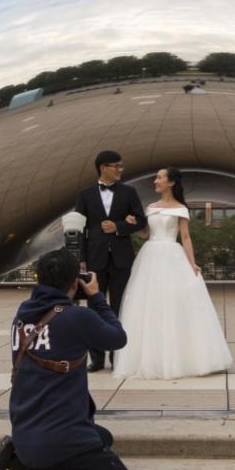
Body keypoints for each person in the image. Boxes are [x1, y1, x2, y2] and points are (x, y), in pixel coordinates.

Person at [6, 249, 146, 470]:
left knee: (102, 435)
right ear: (75, 282)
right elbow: (117, 338)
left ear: (39, 280)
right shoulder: (76, 316)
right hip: (63, 441)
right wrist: (96, 297)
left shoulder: (22, 315)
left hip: (26, 433)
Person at [112, 168, 233, 379]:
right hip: (149, 256)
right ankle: (149, 359)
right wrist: (133, 225)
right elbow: (144, 234)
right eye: (156, 177)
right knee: (148, 304)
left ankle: (181, 358)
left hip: (171, 255)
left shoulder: (181, 209)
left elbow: (185, 238)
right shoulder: (150, 207)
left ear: (171, 182)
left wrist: (192, 263)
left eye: (159, 177)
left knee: (173, 304)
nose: (155, 181)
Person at [74, 150, 147, 372]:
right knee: (94, 309)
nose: (120, 170)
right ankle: (96, 359)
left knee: (120, 307)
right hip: (94, 260)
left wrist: (119, 227)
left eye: (120, 166)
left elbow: (141, 221)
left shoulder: (129, 192)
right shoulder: (85, 195)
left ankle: (118, 357)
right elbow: (78, 228)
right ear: (103, 167)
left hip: (122, 259)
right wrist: (81, 259)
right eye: (116, 166)